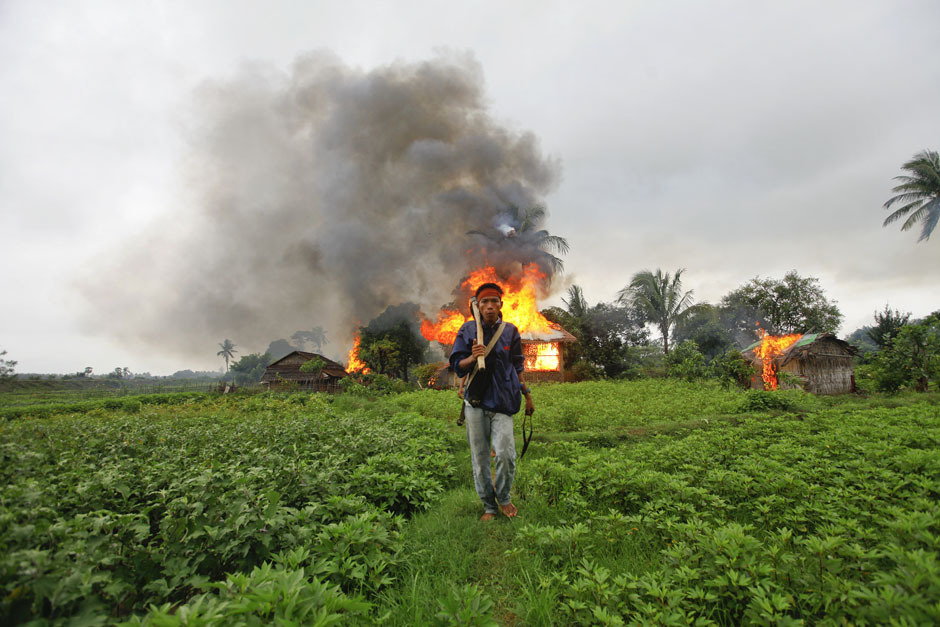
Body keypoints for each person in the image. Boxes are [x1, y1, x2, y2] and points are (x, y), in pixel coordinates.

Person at [450, 282, 535, 521]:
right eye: (484, 302)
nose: (489, 306)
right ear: (477, 306)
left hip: (503, 401)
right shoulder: (467, 330)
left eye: (494, 301)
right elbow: (457, 365)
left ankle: (504, 497)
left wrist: (527, 395)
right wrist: (472, 357)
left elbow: (517, 366)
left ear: (501, 305)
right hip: (476, 403)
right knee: (480, 457)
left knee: (506, 453)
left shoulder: (510, 331)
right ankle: (489, 505)